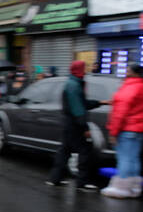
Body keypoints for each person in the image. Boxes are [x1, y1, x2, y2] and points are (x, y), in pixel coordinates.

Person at [47, 61, 108, 190]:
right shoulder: (73, 85)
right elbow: (78, 109)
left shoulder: (73, 83)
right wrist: (85, 128)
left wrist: (101, 102)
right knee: (85, 150)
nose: (85, 71)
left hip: (69, 123)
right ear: (78, 70)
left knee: (64, 151)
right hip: (75, 124)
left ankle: (55, 178)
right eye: (83, 68)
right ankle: (82, 182)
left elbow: (83, 103)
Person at [101, 64, 143, 198]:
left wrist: (113, 132)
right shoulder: (140, 86)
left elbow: (120, 112)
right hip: (138, 130)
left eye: (128, 70)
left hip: (127, 129)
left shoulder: (130, 87)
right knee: (134, 158)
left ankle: (121, 188)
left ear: (134, 73)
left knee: (124, 158)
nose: (126, 72)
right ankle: (134, 187)